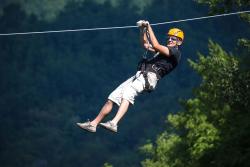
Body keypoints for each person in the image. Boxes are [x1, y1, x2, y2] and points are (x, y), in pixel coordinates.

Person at [76, 20, 184, 133]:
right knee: (112, 97)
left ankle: (114, 123)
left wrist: (149, 26)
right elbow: (146, 44)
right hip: (140, 75)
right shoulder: (162, 51)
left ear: (179, 42)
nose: (170, 40)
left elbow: (156, 45)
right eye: (169, 38)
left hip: (150, 77)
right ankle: (93, 124)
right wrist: (142, 30)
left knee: (128, 94)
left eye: (173, 39)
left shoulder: (175, 53)